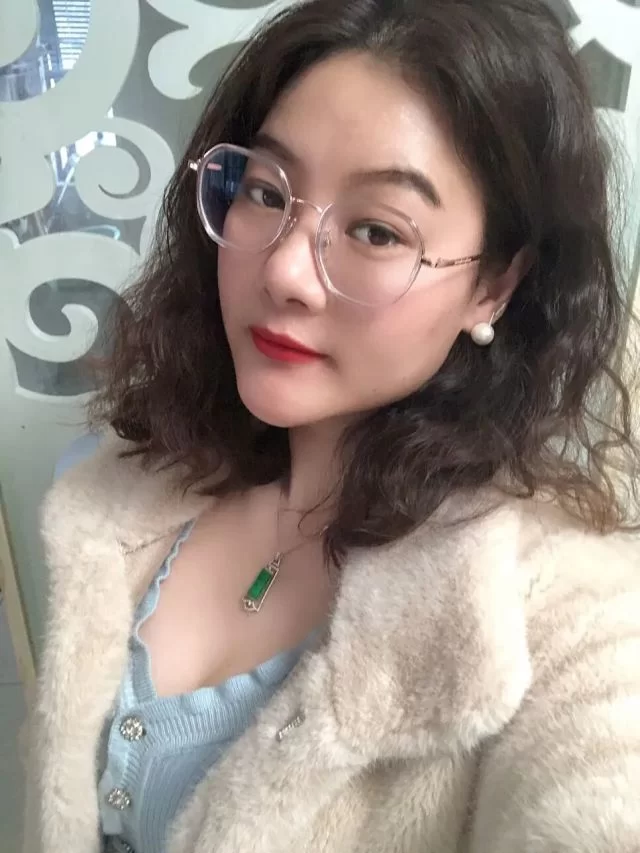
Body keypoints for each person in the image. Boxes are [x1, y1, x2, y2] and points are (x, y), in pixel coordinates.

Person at [23, 0, 640, 851]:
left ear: (495, 286)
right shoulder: (118, 485)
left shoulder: (552, 612)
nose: (283, 269)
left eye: (378, 230)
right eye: (265, 192)